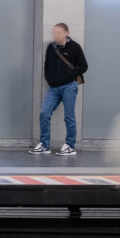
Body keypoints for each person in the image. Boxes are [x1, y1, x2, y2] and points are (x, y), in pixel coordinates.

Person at [29, 23, 88, 156]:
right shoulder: (51, 47)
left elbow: (84, 66)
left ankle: (70, 146)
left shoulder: (75, 47)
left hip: (69, 86)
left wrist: (69, 74)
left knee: (69, 116)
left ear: (67, 33)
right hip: (54, 88)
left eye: (59, 33)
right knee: (44, 113)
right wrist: (49, 79)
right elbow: (47, 65)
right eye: (54, 33)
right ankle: (44, 145)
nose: (55, 35)